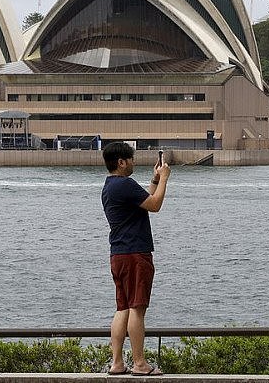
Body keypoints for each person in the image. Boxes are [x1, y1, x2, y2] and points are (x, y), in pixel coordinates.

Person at [101, 142, 170, 376]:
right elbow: (155, 205)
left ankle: (117, 363)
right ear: (121, 162)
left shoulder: (110, 186)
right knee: (137, 308)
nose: (133, 162)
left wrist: (153, 180)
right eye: (130, 159)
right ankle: (140, 364)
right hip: (135, 254)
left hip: (118, 254)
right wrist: (164, 179)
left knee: (123, 308)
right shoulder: (125, 184)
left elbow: (143, 201)